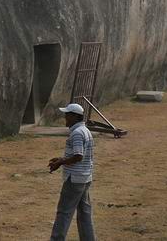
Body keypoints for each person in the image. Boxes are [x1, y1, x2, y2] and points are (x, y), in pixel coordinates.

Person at [48, 103, 95, 241]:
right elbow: (79, 155)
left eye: (67, 115)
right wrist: (62, 159)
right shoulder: (85, 130)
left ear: (75, 116)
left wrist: (60, 162)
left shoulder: (77, 133)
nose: (65, 118)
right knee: (84, 214)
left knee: (64, 213)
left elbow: (78, 156)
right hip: (85, 178)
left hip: (74, 179)